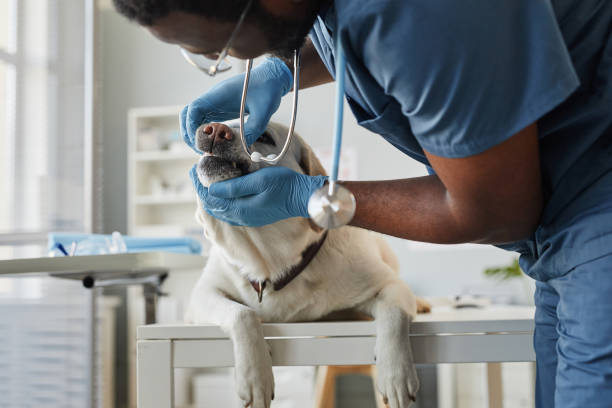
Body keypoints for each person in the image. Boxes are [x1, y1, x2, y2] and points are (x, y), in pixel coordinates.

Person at [112, 1, 612, 406]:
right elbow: (351, 34)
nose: (224, 61)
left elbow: (497, 210)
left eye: (218, 49)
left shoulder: (423, 16)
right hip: (559, 232)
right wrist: (280, 71)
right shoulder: (336, 12)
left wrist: (311, 197)